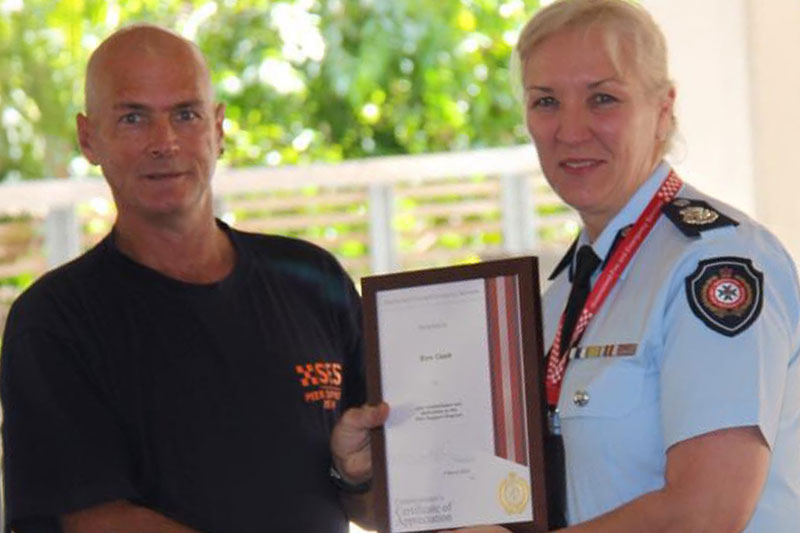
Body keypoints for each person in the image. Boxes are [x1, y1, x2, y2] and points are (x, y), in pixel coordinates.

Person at [332, 1, 800, 531]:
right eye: (546, 101)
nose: (571, 130)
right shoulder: (559, 298)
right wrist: (366, 479)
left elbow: (708, 510)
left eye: (603, 98)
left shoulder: (714, 264)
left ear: (663, 109)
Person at [1, 24, 369, 532]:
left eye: (186, 115)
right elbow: (99, 522)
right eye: (133, 118)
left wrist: (356, 478)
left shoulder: (313, 280)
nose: (164, 142)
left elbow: (383, 499)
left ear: (218, 130)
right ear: (89, 138)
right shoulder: (55, 321)